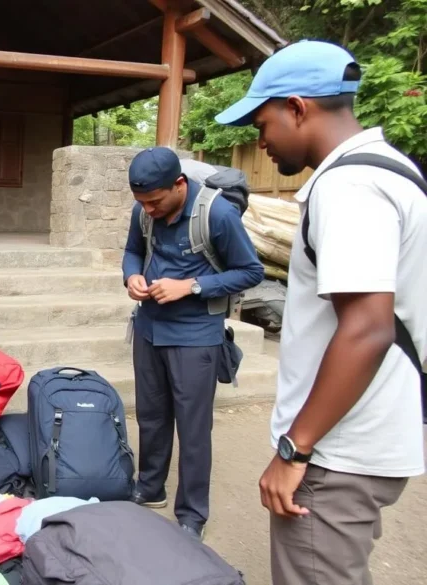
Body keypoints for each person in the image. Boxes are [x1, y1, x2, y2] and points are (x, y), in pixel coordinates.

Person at [215, 40, 427, 584]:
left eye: (262, 123)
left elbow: (368, 328)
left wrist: (294, 448)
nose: (259, 142)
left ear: (297, 107)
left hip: (336, 450)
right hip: (363, 433)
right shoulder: (393, 171)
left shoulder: (349, 187)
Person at [121, 146, 264, 541]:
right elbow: (133, 251)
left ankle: (192, 513)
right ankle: (150, 488)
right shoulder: (143, 212)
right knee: (150, 416)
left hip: (195, 336)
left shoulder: (216, 213)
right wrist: (131, 277)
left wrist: (192, 286)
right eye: (141, 203)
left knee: (193, 428)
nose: (147, 210)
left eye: (154, 201)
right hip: (149, 328)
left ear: (179, 185)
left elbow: (251, 271)